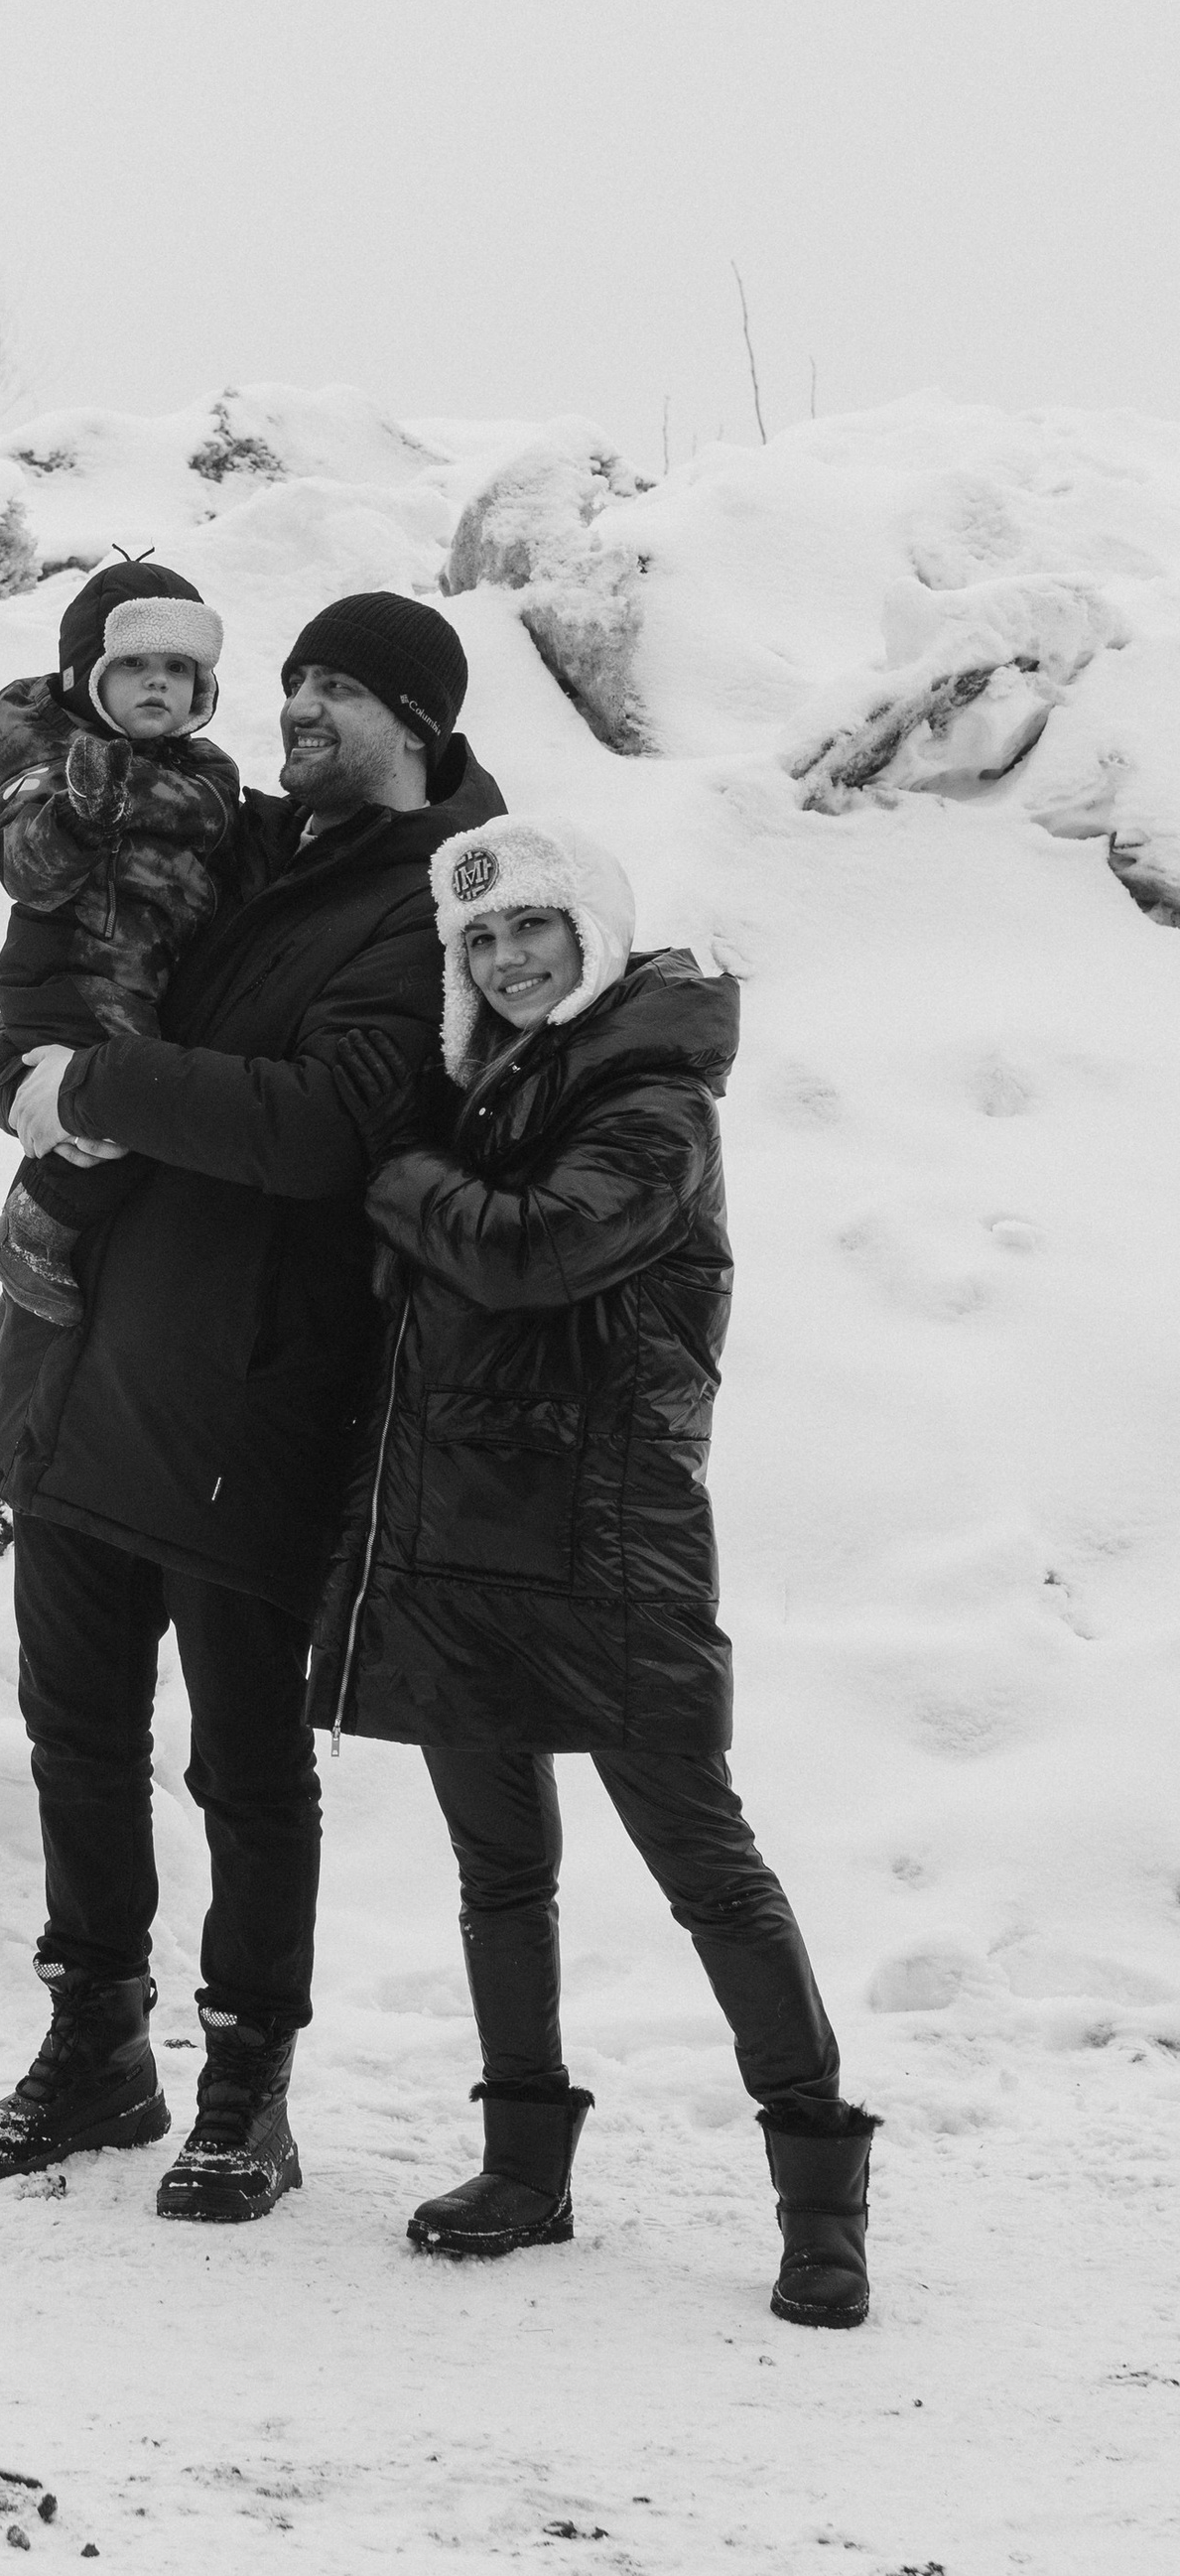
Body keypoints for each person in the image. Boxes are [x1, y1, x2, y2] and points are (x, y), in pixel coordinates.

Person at [0, 590, 502, 2223]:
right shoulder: (252, 844)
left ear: (419, 720)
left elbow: (329, 1120)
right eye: (299, 678)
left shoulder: (429, 900)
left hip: (255, 1390)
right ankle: (95, 2046)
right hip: (87, 1362)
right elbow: (66, 968)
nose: (301, 707)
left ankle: (249, 2088)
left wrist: (99, 1089)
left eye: (344, 687)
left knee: (245, 1770)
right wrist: (27, 1067)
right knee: (81, 1745)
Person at [310, 814, 878, 2327]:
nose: (505, 957)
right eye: (479, 940)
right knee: (500, 1869)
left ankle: (821, 2198)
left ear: (596, 935)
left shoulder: (651, 1092)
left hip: (609, 1541)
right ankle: (524, 2167)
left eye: (532, 929)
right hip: (461, 1534)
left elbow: (534, 1250)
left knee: (707, 1869)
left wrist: (394, 1175)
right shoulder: (494, 1092)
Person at [0, 559, 238, 1325]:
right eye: (136, 666)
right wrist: (81, 817)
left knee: (131, 1117)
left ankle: (17, 1304)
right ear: (90, 676)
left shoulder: (209, 775)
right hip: (72, 970)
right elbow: (27, 869)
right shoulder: (57, 762)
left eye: (178, 668)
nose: (159, 683)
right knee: (116, 1119)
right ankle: (23, 1238)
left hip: (139, 979)